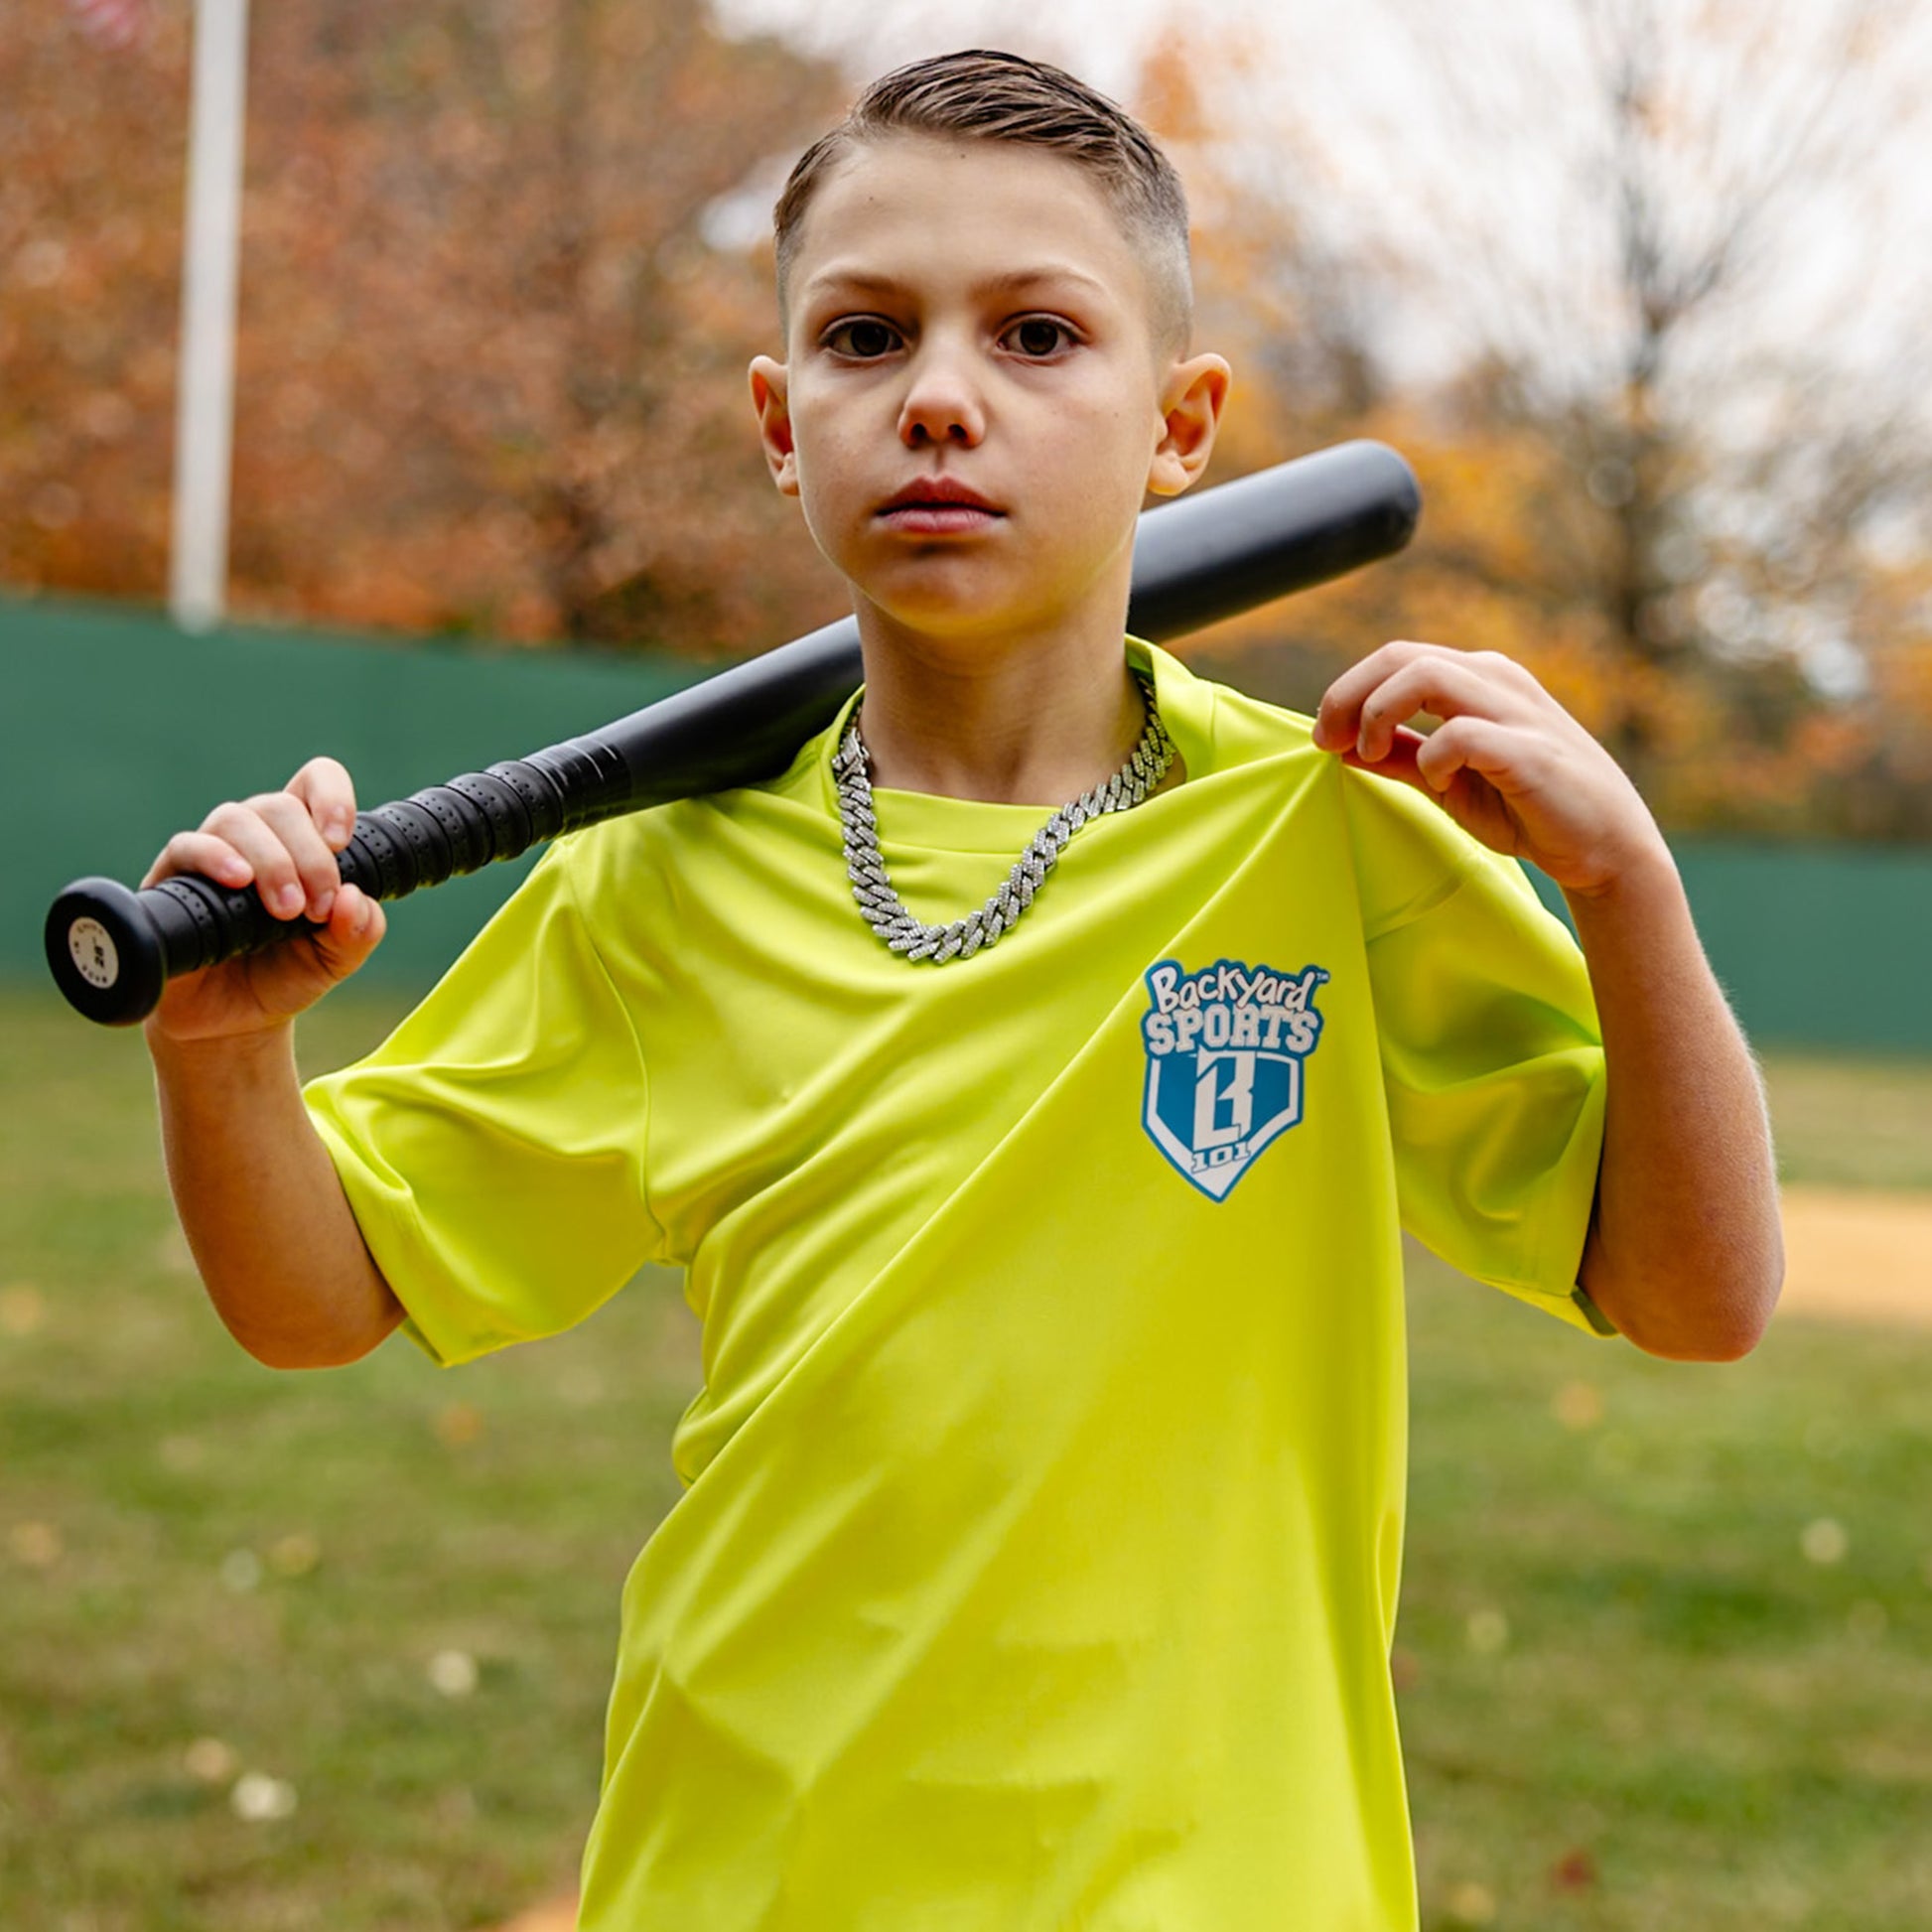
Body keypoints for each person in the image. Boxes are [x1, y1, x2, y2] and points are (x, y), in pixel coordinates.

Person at [140, 49, 1782, 1932]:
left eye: (1034, 336)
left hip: (1225, 1884)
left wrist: (1625, 890)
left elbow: (1697, 1294)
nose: (936, 397)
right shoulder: (661, 881)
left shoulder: (1331, 839)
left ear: (1180, 426)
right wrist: (230, 1056)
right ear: (779, 416)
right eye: (862, 338)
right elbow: (319, 1295)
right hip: (747, 1873)